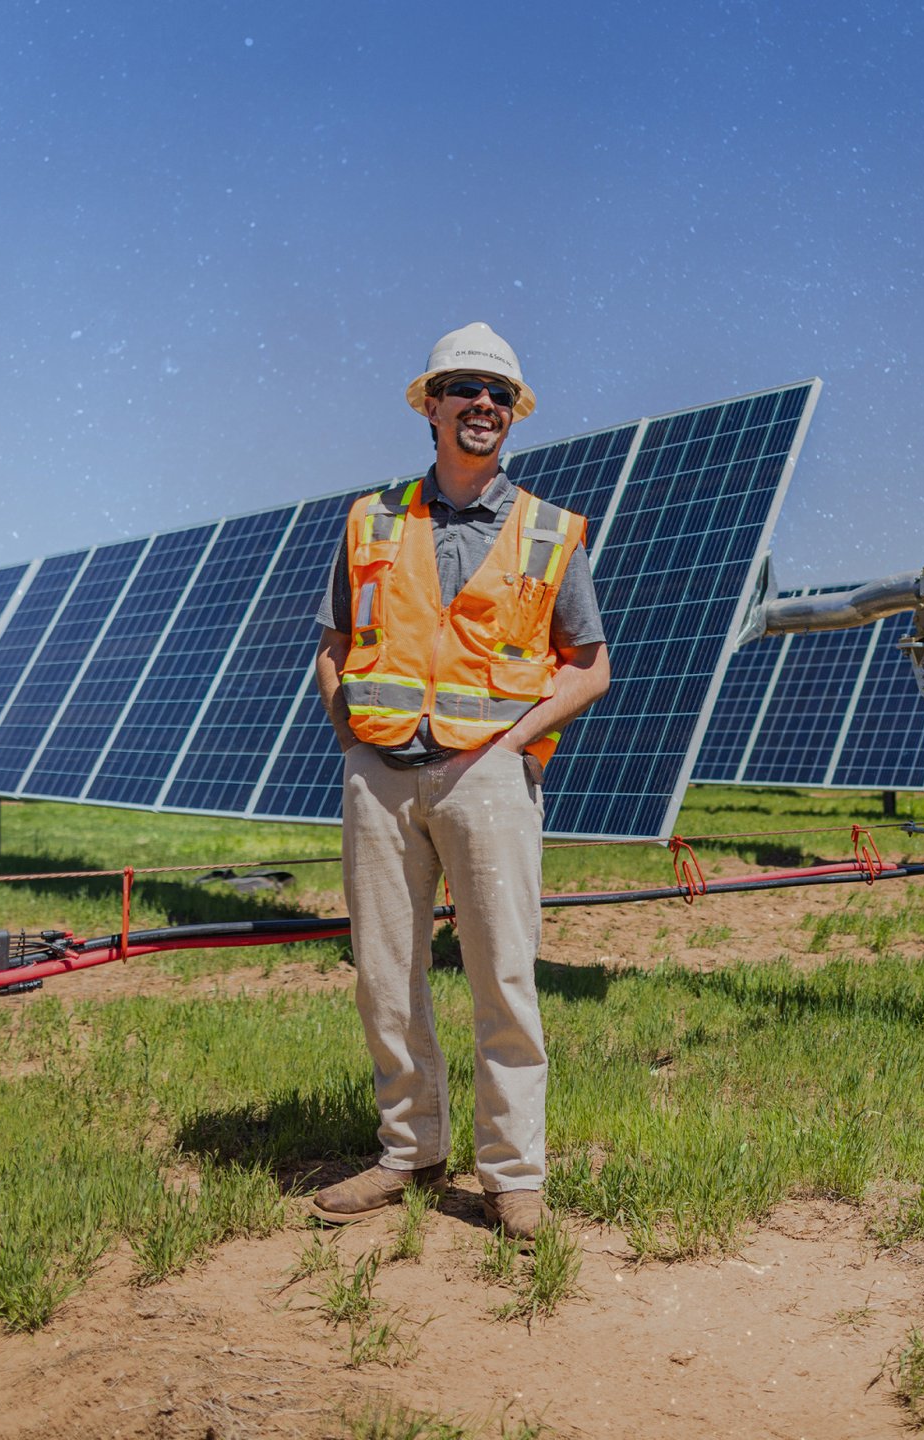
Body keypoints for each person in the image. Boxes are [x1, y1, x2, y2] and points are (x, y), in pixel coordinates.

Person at [309, 323, 610, 1238]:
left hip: (488, 777)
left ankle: (513, 1173)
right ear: (431, 405)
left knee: (503, 979)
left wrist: (511, 745)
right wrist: (356, 741)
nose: (484, 405)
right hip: (382, 775)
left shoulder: (550, 532)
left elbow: (590, 667)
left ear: (511, 415)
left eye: (499, 395)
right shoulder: (371, 520)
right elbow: (333, 646)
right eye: (465, 389)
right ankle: (409, 1151)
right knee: (385, 978)